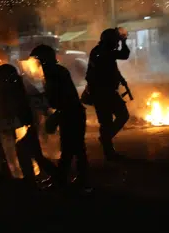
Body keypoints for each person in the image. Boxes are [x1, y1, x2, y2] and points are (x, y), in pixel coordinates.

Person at [30, 45, 88, 188]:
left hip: (71, 113)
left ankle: (74, 180)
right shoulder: (54, 71)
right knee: (72, 148)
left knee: (74, 148)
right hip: (70, 112)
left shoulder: (54, 72)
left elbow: (60, 97)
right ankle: (65, 178)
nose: (36, 63)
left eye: (38, 59)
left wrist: (52, 110)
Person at [85, 28, 130, 162]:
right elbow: (124, 55)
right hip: (103, 93)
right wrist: (124, 41)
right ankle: (107, 143)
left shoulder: (101, 51)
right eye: (116, 40)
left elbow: (112, 67)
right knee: (117, 117)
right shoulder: (103, 52)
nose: (117, 43)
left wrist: (120, 79)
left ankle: (109, 149)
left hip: (104, 92)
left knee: (107, 122)